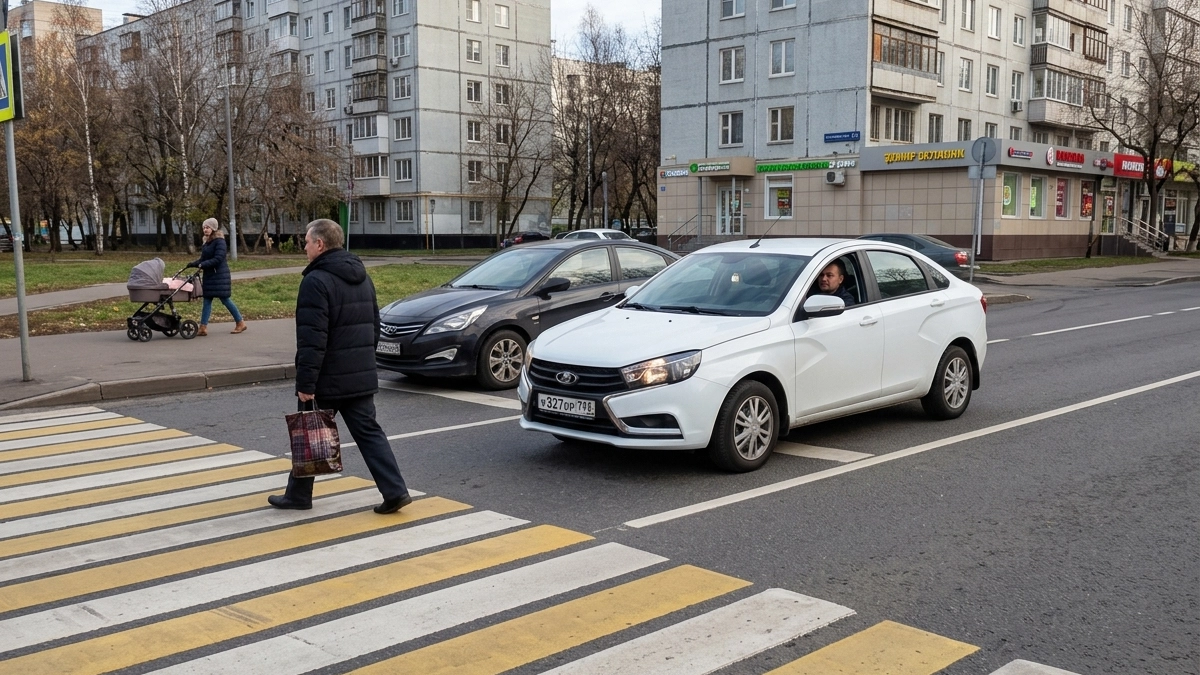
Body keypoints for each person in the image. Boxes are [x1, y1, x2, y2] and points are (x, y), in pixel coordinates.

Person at [268, 219, 412, 514]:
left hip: (327, 378)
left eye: (307, 242)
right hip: (359, 375)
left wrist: (306, 384)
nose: (304, 248)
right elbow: (375, 326)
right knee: (370, 433)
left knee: (309, 433)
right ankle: (395, 490)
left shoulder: (315, 281)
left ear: (319, 244)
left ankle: (298, 496)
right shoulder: (362, 276)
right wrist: (362, 361)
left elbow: (312, 339)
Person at [187, 218, 247, 336]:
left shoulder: (220, 242)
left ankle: (240, 322)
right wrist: (193, 264)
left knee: (225, 299)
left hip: (219, 276)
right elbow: (203, 259)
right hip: (210, 276)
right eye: (204, 227)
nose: (205, 230)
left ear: (213, 228)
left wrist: (202, 265)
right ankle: (203, 327)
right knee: (207, 300)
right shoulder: (207, 242)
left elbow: (218, 259)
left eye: (208, 227)